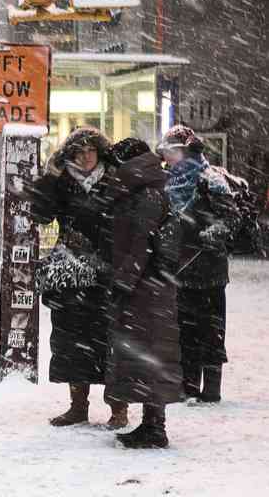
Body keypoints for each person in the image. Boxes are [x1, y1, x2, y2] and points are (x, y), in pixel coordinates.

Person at [28, 127, 128, 428]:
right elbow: (41, 214)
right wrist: (50, 176)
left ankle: (118, 408)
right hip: (71, 271)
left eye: (90, 152)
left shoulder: (115, 180)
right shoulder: (62, 183)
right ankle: (77, 405)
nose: (85, 158)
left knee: (111, 341)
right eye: (79, 153)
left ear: (100, 153)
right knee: (72, 340)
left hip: (107, 272)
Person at [103, 138, 183, 448]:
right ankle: (151, 424)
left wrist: (124, 281)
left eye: (115, 164)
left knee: (150, 354)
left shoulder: (146, 194)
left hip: (146, 289)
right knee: (148, 353)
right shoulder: (143, 189)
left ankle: (155, 427)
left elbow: (141, 243)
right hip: (147, 287)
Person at [157, 125, 240, 404]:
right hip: (179, 269)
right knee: (184, 329)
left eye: (170, 152)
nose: (166, 157)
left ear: (183, 151)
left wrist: (212, 234)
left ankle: (211, 387)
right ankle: (188, 385)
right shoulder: (167, 182)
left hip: (209, 270)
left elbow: (231, 218)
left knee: (211, 329)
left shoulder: (210, 179)